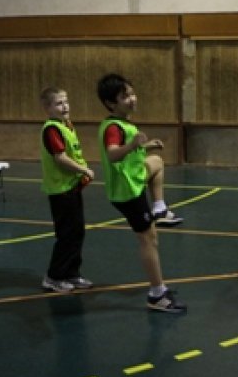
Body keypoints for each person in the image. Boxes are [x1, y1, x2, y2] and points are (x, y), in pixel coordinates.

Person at [96, 73, 187, 313]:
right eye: (125, 97)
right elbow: (113, 154)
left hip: (134, 179)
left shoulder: (124, 124)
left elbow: (130, 151)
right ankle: (157, 294)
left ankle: (160, 208)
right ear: (110, 103)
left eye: (132, 94)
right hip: (127, 191)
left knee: (156, 161)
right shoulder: (113, 127)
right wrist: (133, 145)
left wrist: (146, 146)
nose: (132, 99)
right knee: (148, 239)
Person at [39, 86, 96, 293]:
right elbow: (60, 157)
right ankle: (53, 277)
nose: (65, 107)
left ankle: (72, 273)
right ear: (47, 108)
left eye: (66, 102)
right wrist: (84, 169)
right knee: (66, 234)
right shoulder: (52, 129)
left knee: (77, 232)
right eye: (59, 103)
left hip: (72, 187)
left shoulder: (67, 126)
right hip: (60, 190)